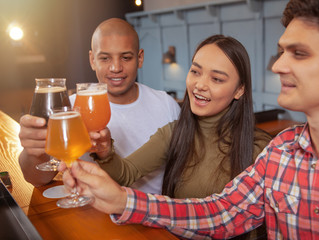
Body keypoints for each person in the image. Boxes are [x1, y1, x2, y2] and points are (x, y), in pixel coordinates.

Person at [61, 0, 319, 239]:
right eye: (282, 52)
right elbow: (220, 212)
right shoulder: (281, 152)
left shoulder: (262, 146)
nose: (278, 65)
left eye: (300, 54)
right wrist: (122, 200)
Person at [62, 34, 271, 238]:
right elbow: (125, 173)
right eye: (195, 72)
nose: (200, 85)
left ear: (239, 90)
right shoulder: (175, 132)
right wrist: (105, 152)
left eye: (216, 79)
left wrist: (124, 201)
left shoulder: (261, 148)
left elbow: (226, 217)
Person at [18, 18, 181, 194]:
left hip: (147, 216)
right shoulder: (69, 110)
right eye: (105, 58)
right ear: (92, 60)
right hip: (90, 216)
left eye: (126, 57)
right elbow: (37, 180)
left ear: (140, 58)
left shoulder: (167, 106)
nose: (115, 67)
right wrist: (34, 151)